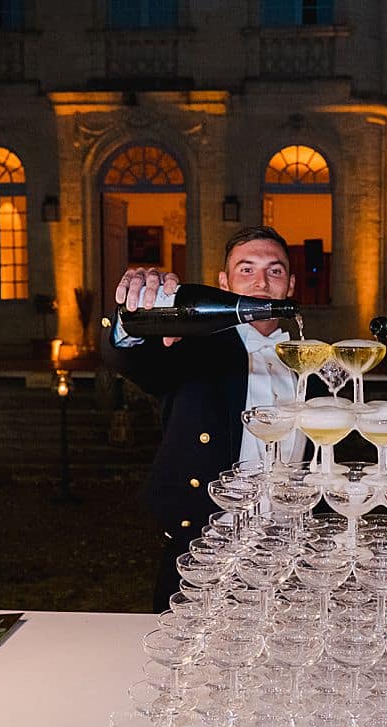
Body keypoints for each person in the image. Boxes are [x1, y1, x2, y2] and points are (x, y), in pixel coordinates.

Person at [102, 225, 319, 611]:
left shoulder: (313, 364)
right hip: (205, 554)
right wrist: (131, 319)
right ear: (224, 282)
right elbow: (133, 359)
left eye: (275, 271)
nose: (261, 283)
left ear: (290, 285)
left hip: (294, 559)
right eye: (246, 270)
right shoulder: (192, 346)